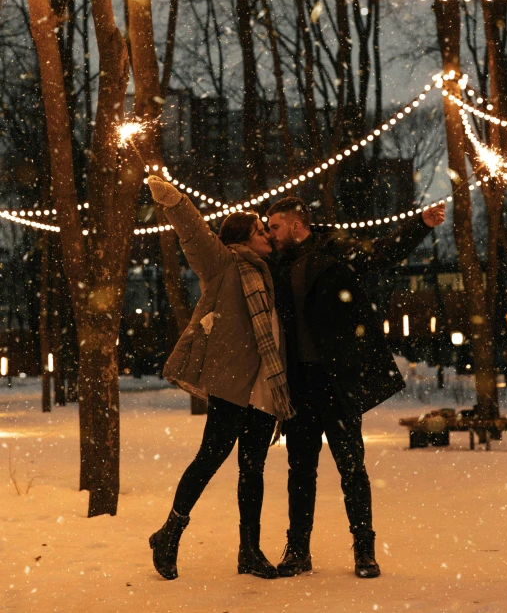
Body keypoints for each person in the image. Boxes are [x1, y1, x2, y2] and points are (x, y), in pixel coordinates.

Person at [266, 197, 445, 579]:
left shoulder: (336, 251)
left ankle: (364, 550)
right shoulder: (276, 265)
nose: (271, 234)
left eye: (276, 227)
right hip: (299, 383)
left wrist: (420, 225)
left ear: (297, 225)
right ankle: (298, 550)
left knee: (352, 468)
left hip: (336, 380)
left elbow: (381, 252)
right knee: (300, 470)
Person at [147, 175, 294, 581]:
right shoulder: (224, 264)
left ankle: (249, 551)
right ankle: (169, 533)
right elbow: (194, 234)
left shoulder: (266, 270)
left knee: (253, 467)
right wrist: (174, 201)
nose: (267, 235)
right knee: (211, 456)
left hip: (265, 385)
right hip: (233, 382)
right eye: (261, 231)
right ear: (243, 239)